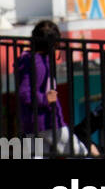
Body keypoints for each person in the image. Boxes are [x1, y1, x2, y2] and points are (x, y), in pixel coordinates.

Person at [16, 19, 96, 157]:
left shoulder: (32, 60)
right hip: (48, 122)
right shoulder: (37, 63)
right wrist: (45, 99)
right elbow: (24, 93)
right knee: (80, 152)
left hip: (33, 123)